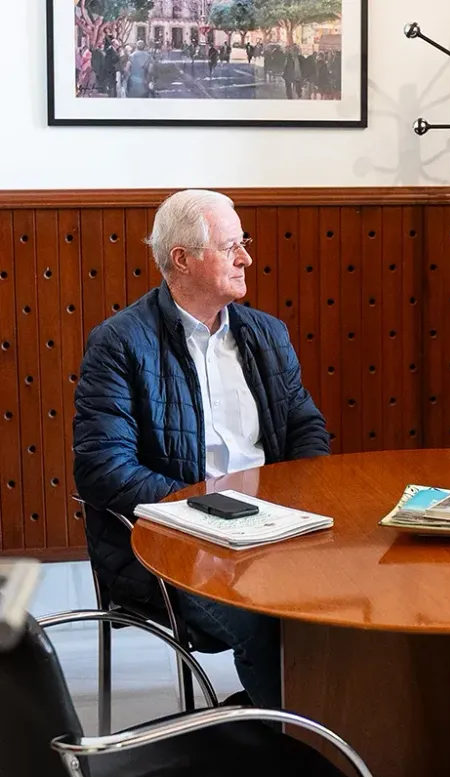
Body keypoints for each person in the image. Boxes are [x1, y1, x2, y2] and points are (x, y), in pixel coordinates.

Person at [73, 189, 331, 709]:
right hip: (172, 542)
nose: (247, 258)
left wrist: (299, 497)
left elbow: (306, 428)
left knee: (343, 595)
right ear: (183, 260)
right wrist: (208, 512)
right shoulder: (120, 343)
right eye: (231, 245)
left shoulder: (266, 334)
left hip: (273, 528)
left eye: (245, 243)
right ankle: (289, 745)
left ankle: (302, 723)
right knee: (266, 619)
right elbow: (104, 468)